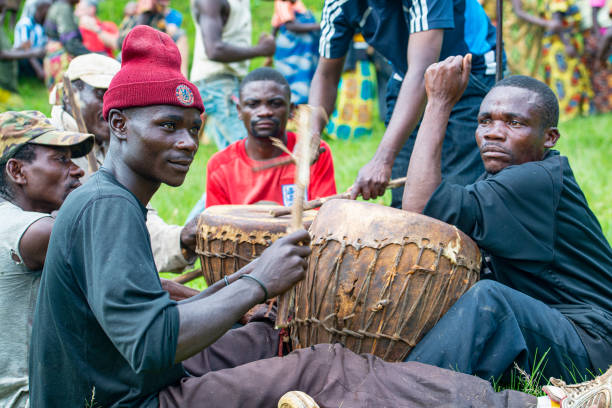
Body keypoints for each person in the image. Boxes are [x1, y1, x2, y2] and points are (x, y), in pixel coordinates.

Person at [27, 26, 612, 408]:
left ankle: (385, 389)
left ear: (549, 137)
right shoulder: (107, 205)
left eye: (192, 129)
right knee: (327, 365)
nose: (185, 143)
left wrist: (246, 294)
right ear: (119, 126)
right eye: (168, 127)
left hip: (116, 386)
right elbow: (150, 343)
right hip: (129, 398)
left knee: (273, 333)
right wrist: (258, 279)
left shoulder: (103, 198)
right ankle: (544, 405)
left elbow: (140, 322)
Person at [400, 55, 612, 384]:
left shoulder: (536, 180)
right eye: (485, 121)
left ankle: (393, 392)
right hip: (554, 328)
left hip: (593, 347)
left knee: (491, 300)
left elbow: (420, 208)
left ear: (550, 138)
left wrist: (439, 103)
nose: (494, 134)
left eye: (514, 123)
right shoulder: (503, 180)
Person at [309, 0, 503, 209]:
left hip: (469, 72)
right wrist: (311, 134)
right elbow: (326, 74)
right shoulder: (338, 4)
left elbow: (422, 72)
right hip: (407, 75)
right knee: (407, 194)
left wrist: (382, 160)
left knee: (457, 191)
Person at [49, 52, 199, 273]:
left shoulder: (113, 146)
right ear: (68, 96)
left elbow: (134, 223)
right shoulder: (47, 152)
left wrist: (181, 239)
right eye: (101, 94)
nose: (110, 104)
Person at [0, 110, 93, 408]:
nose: (77, 170)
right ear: (17, 171)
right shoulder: (34, 232)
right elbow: (130, 286)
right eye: (61, 160)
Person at [205, 67, 336, 208]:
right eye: (253, 105)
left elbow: (323, 217)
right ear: (239, 111)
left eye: (275, 104)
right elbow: (217, 225)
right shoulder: (220, 165)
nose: (265, 112)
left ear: (291, 110)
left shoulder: (313, 152)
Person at [190, 0, 276, 149]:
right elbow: (213, 50)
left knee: (233, 157)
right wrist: (261, 50)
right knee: (252, 149)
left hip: (228, 81)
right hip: (216, 83)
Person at [512, 0, 594, 121]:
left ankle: (569, 113)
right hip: (559, 45)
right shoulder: (557, 1)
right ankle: (567, 114)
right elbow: (556, 24)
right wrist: (567, 44)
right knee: (565, 80)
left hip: (559, 43)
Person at [118, 0, 189, 76]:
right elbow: (121, 42)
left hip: (156, 54)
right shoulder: (135, 12)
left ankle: (182, 78)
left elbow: (164, 35)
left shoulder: (168, 16)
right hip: (133, 56)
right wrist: (142, 13)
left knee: (181, 34)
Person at [270, 0, 320, 105]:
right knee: (293, 82)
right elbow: (290, 26)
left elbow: (274, 25)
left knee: (306, 79)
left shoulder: (297, 3)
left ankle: (304, 107)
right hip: (292, 53)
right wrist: (318, 26)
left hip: (304, 53)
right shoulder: (282, 2)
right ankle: (293, 110)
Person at [43, 0, 92, 89]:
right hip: (61, 59)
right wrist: (92, 56)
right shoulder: (63, 9)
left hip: (54, 56)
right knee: (65, 96)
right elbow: (70, 42)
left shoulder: (59, 6)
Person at [13, 0, 50, 80]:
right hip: (25, 58)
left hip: (37, 56)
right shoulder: (26, 23)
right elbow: (26, 49)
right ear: (41, 9)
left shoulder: (40, 24)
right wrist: (39, 70)